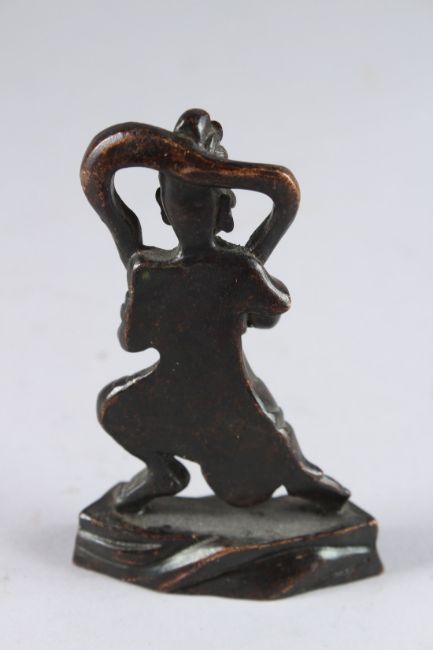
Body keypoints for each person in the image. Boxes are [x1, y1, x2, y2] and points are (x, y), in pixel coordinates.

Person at [81, 109, 350, 512]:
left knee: (249, 486)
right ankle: (163, 473)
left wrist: (137, 302)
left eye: (195, 202)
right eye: (184, 201)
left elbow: (131, 339)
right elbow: (269, 314)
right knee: (113, 408)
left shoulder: (162, 272)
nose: (189, 212)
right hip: (186, 390)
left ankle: (307, 484)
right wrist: (253, 270)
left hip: (227, 397)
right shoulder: (216, 269)